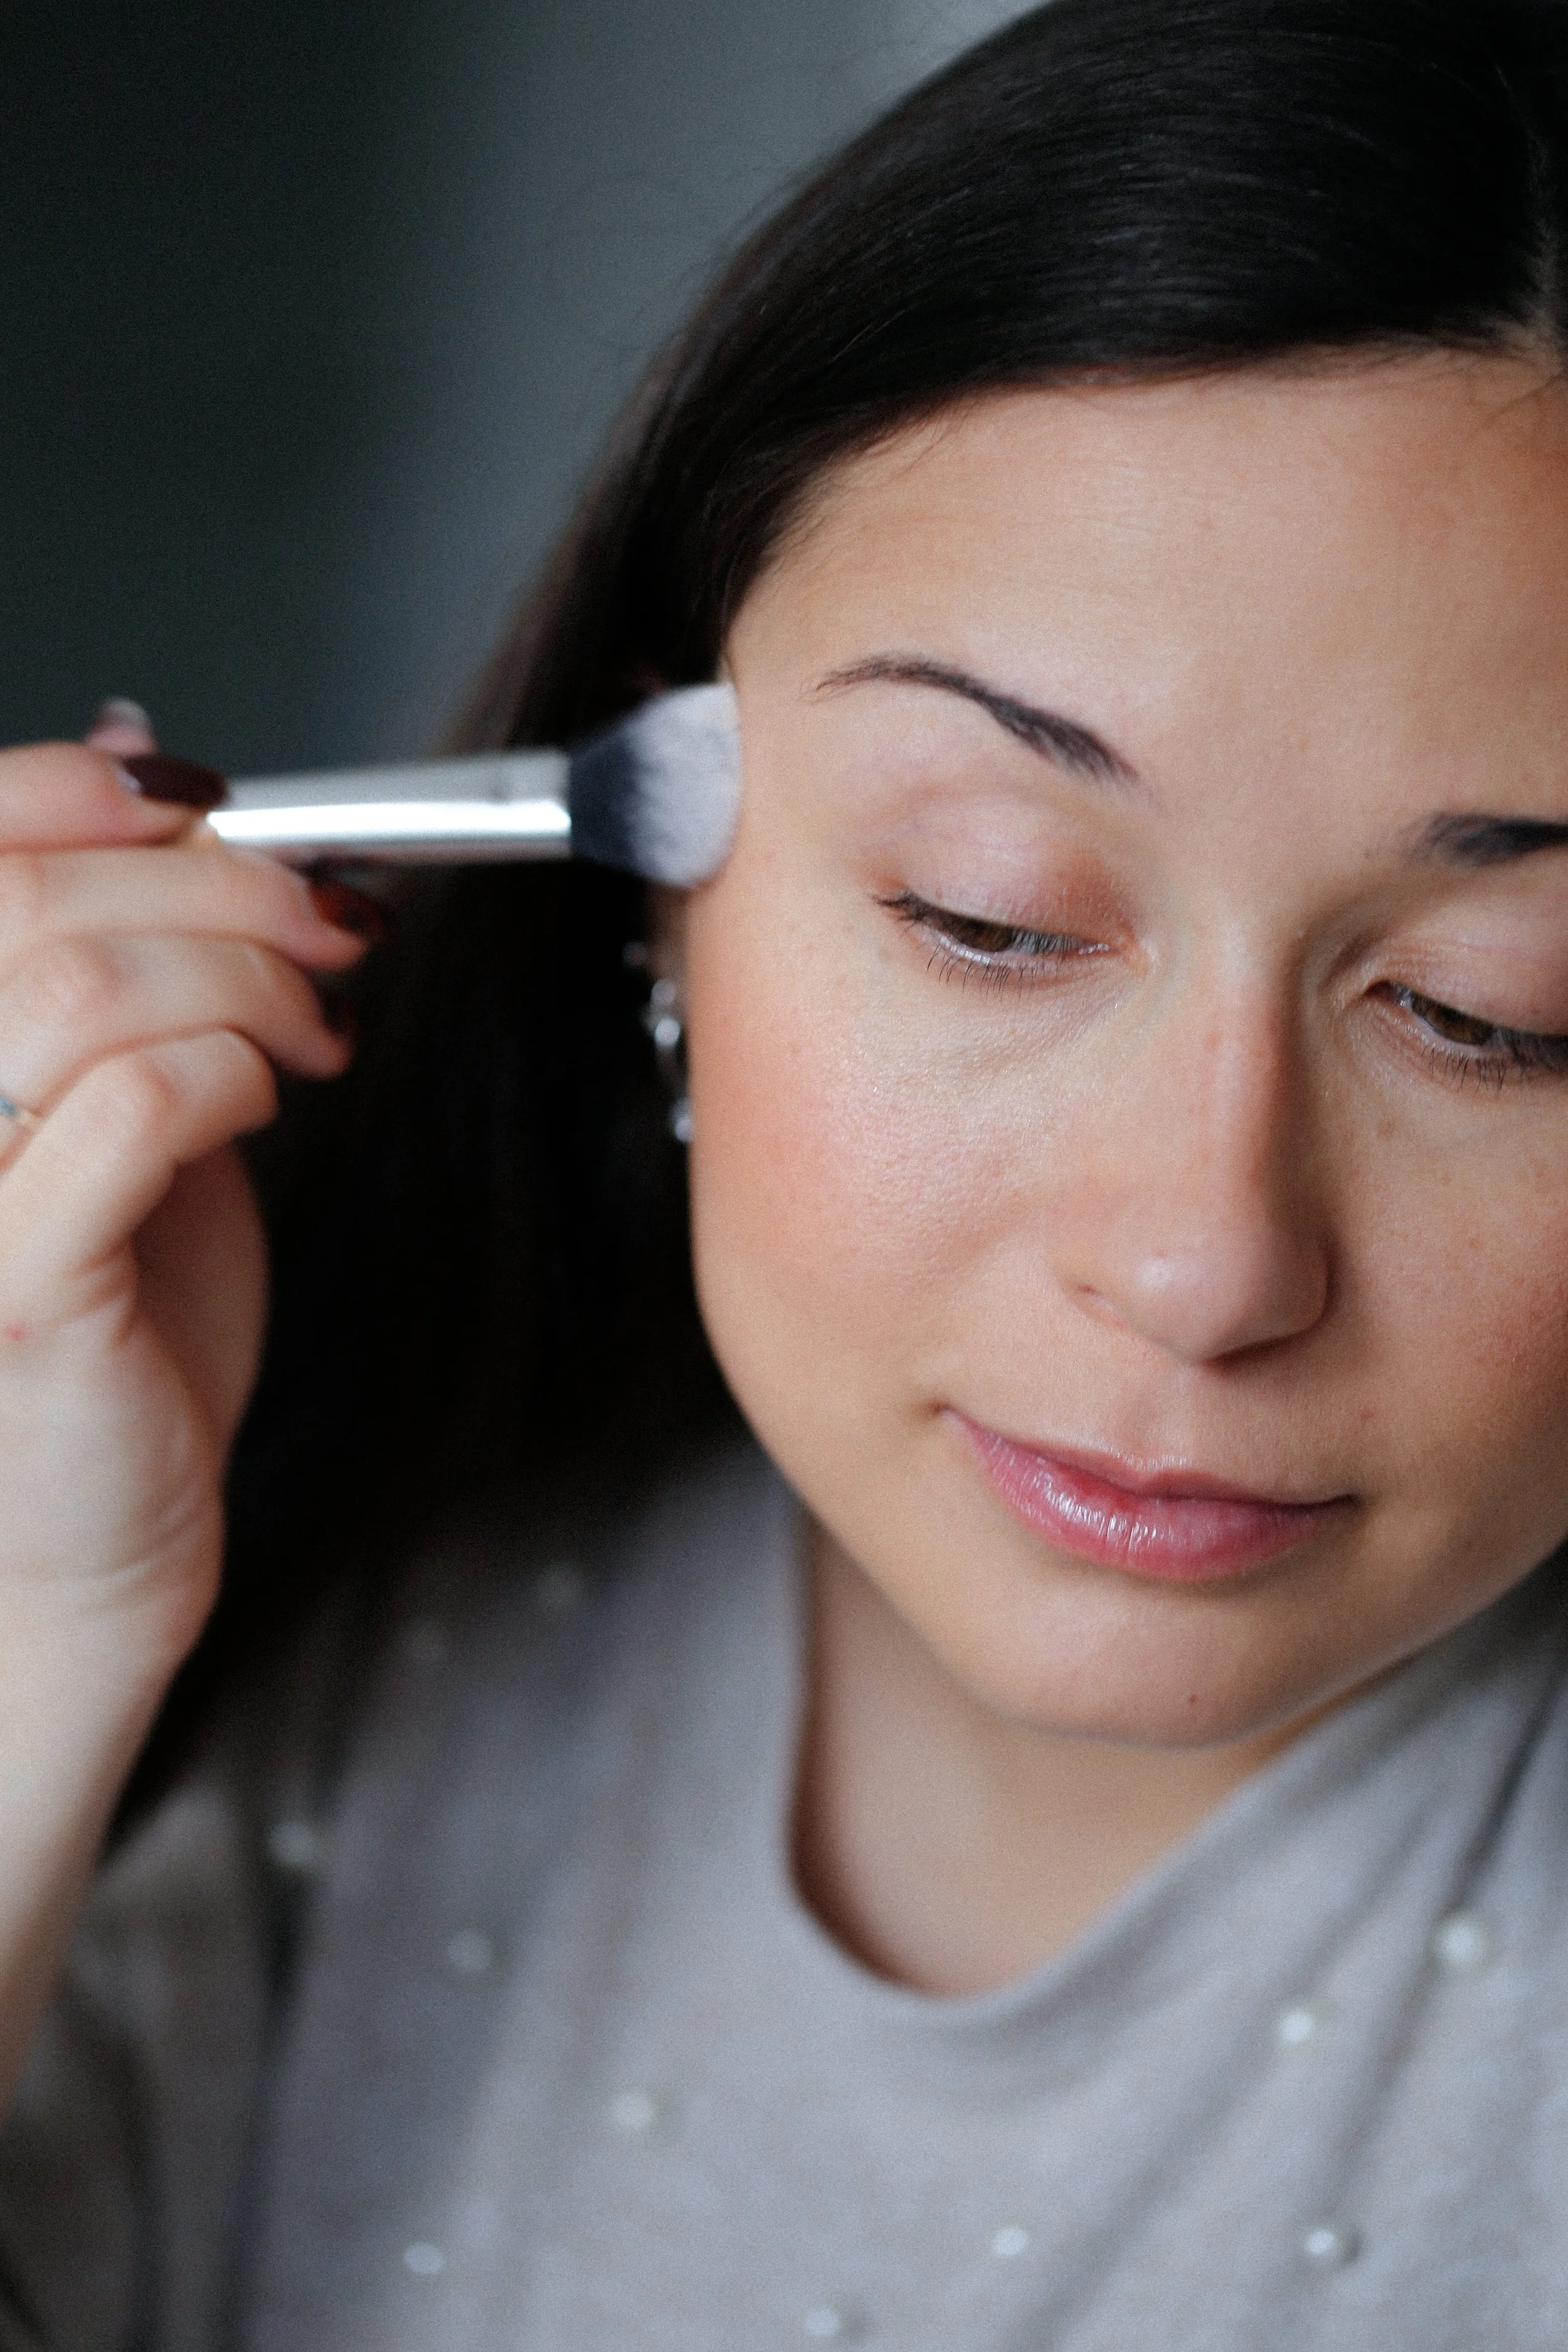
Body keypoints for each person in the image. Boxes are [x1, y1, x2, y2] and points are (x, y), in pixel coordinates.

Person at [4, 0, 1568, 2341]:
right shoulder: (357, 1681)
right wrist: (34, 1625)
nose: (1201, 1255)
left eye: (1494, 1007)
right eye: (989, 917)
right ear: (661, 880)